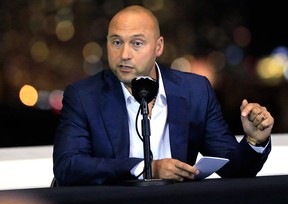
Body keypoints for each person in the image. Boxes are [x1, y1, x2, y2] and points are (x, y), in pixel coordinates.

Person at [53, 5, 274, 186]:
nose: (124, 54)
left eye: (137, 43)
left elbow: (233, 169)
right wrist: (147, 168)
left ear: (158, 47)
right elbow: (68, 166)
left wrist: (255, 140)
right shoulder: (84, 96)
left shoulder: (195, 90)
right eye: (116, 42)